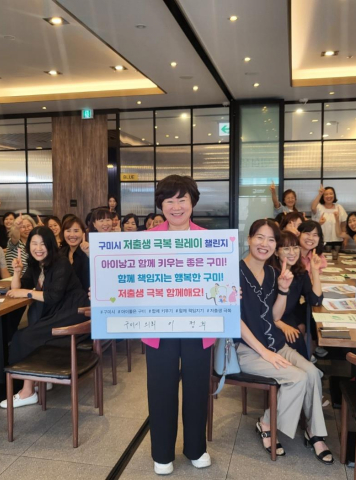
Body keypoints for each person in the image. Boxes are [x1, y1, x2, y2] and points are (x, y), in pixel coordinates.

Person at [237, 219, 332, 464]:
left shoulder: (272, 273)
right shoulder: (234, 272)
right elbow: (234, 320)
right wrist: (264, 352)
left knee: (312, 373)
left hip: (275, 344)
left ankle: (314, 432)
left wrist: (282, 290)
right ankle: (266, 423)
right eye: (259, 237)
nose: (265, 244)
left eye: (271, 239)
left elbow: (275, 316)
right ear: (249, 239)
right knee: (297, 378)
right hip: (246, 349)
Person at [143, 175, 212, 475]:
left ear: (193, 202)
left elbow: (218, 283)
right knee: (161, 388)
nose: (176, 206)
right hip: (158, 326)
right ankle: (162, 453)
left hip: (199, 325)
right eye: (169, 200)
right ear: (161, 205)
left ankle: (196, 448)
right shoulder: (145, 240)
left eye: (182, 199)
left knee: (197, 387)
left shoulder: (209, 240)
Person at [0, 227, 88, 408]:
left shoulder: (61, 262)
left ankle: (28, 391)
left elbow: (52, 296)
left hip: (74, 311)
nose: (38, 248)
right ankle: (38, 378)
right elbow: (17, 289)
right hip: (58, 310)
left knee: (25, 337)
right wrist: (16, 272)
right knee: (29, 333)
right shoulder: (34, 264)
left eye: (43, 244)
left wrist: (27, 292)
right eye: (34, 243)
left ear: (50, 245)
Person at [275, 231, 323, 358]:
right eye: (286, 248)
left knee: (298, 335)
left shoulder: (299, 273)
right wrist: (282, 325)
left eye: (295, 247)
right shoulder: (269, 273)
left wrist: (314, 270)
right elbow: (262, 309)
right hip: (272, 322)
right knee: (294, 337)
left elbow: (315, 300)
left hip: (289, 317)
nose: (292, 252)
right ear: (276, 252)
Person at [311, 185, 347, 259]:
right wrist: (319, 194)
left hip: (337, 240)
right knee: (322, 259)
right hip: (322, 240)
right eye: (326, 194)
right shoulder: (319, 207)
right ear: (323, 196)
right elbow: (313, 208)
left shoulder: (339, 207)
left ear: (334, 195)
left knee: (338, 260)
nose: (329, 196)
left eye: (331, 194)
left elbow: (343, 225)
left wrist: (346, 239)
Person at [60, 215, 90, 293]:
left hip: (85, 298)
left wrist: (89, 255)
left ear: (83, 233)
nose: (72, 235)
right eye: (68, 231)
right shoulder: (60, 253)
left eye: (76, 231)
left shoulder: (89, 252)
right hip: (65, 298)